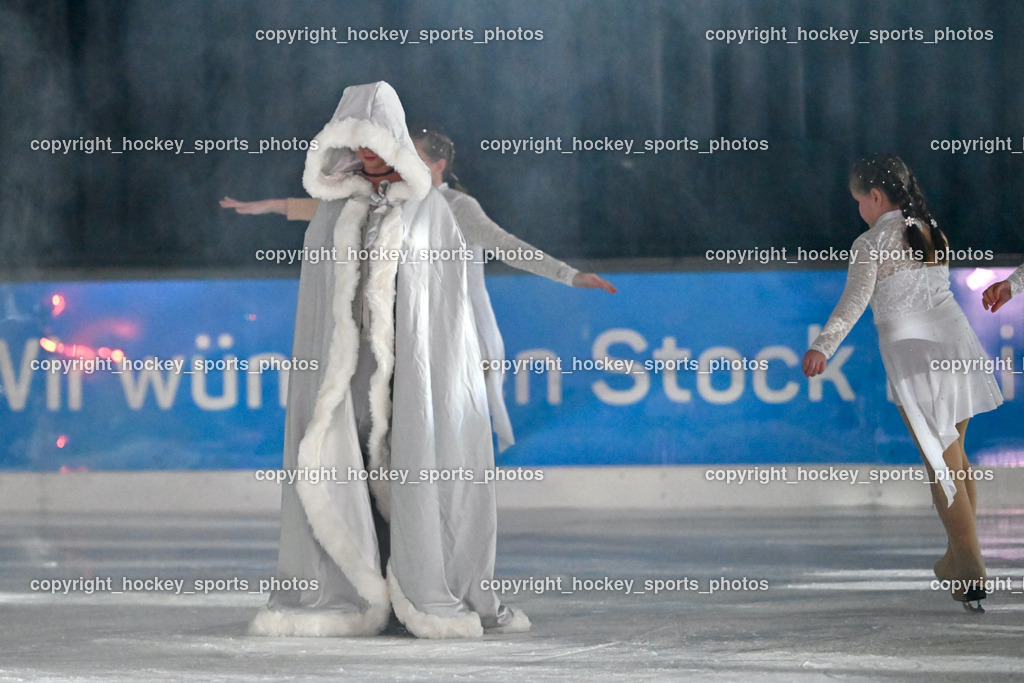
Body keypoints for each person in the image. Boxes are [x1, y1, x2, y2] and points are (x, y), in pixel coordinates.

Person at [247, 81, 528, 639]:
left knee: (418, 465)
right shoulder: (333, 214)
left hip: (413, 374)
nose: (368, 154)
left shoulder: (432, 212)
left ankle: (423, 588)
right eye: (358, 142)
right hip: (348, 375)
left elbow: (442, 307)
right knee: (345, 463)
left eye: (377, 141)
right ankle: (357, 591)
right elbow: (321, 308)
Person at [222, 128, 615, 451]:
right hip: (417, 337)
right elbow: (336, 209)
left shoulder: (458, 206)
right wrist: (271, 205)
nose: (401, 160)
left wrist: (570, 276)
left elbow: (507, 246)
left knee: (448, 434)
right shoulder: (395, 200)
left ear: (438, 165)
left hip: (461, 336)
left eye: (414, 154)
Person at [802, 154, 1003, 612]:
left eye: (858, 201)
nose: (858, 210)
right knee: (954, 456)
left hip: (916, 356)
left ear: (875, 197)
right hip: (958, 345)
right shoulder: (931, 229)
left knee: (941, 461)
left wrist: (823, 346)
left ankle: (969, 565)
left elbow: (853, 302)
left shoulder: (871, 242)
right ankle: (957, 560)